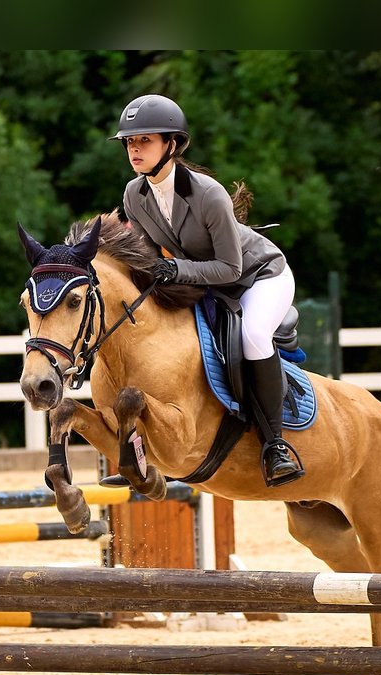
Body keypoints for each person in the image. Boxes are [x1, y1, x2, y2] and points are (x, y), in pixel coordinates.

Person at [109, 93, 304, 487]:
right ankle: (137, 454)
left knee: (251, 335)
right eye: (130, 141)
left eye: (145, 140)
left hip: (258, 276)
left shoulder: (209, 193)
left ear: (172, 145)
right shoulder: (135, 195)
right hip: (205, 282)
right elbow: (149, 257)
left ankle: (275, 445)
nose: (135, 149)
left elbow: (230, 266)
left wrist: (175, 268)